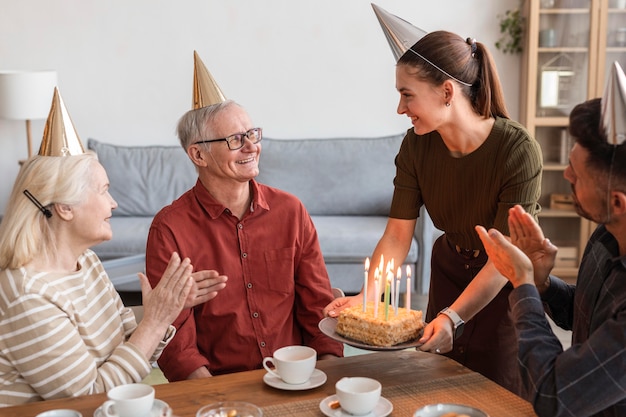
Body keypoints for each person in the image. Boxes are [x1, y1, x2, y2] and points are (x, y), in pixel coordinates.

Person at [325, 7, 542, 394]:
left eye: (407, 95)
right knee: (435, 387)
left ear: (446, 91)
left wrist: (452, 318)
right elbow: (396, 236)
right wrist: (368, 297)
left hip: (501, 286)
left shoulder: (517, 150)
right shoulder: (416, 146)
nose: (400, 109)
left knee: (499, 392)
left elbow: (502, 257)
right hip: (448, 272)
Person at [0, 88, 226, 407]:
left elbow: (125, 342)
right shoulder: (29, 297)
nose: (114, 203)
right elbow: (89, 396)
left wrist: (166, 309)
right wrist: (156, 320)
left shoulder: (87, 262)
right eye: (103, 191)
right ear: (65, 207)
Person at [145, 52, 343, 381]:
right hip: (217, 387)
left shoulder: (290, 211)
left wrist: (326, 380)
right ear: (198, 154)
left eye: (252, 134)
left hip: (294, 376)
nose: (251, 146)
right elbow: (175, 339)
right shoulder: (170, 229)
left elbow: (317, 308)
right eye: (235, 140)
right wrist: (215, 400)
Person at [476, 89, 626, 415]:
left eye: (576, 173)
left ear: (617, 202)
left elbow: (553, 397)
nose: (566, 175)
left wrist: (523, 283)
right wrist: (543, 284)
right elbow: (593, 316)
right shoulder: (607, 236)